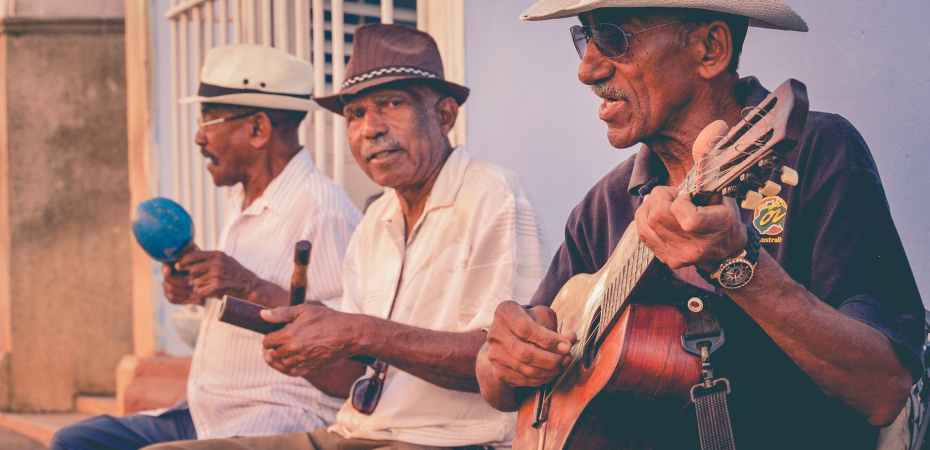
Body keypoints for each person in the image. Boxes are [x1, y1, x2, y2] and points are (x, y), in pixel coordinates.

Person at [476, 1, 925, 449]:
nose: (587, 69)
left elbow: (885, 389)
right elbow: (501, 388)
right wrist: (504, 355)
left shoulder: (819, 153)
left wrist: (740, 264)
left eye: (612, 37)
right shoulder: (604, 205)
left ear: (711, 49)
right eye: (584, 39)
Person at [142, 24, 546, 450]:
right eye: (355, 114)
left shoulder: (492, 194)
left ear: (444, 115)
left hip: (442, 440)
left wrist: (359, 332)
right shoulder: (376, 220)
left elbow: (503, 361)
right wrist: (306, 355)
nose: (369, 129)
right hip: (352, 432)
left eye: (391, 104)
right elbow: (350, 378)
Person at [51, 44, 361, 450]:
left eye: (209, 118)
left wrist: (247, 285)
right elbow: (240, 298)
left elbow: (350, 349)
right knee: (77, 441)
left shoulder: (323, 211)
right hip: (206, 414)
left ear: (258, 130)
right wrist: (200, 291)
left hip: (275, 416)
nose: (199, 136)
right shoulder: (243, 198)